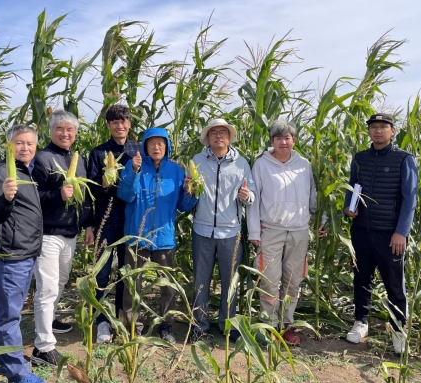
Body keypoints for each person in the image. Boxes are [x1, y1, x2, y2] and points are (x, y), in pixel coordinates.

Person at [343, 113, 417, 355]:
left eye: (383, 127)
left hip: (390, 235)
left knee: (395, 284)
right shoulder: (360, 158)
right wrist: (348, 207)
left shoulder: (403, 159)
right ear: (368, 131)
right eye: (374, 127)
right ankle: (361, 322)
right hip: (362, 231)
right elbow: (353, 186)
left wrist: (401, 233)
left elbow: (409, 200)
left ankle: (398, 330)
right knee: (361, 279)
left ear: (392, 131)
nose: (378, 131)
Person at [247, 120, 326, 347]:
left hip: (299, 232)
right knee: (269, 281)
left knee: (293, 281)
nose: (283, 142)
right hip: (270, 230)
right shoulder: (261, 165)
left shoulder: (303, 165)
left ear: (294, 140)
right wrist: (254, 232)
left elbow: (312, 197)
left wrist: (322, 220)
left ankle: (286, 324)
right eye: (278, 138)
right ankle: (268, 325)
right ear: (272, 141)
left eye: (287, 137)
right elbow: (254, 200)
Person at [117, 127, 198, 344]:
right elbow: (124, 194)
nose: (156, 147)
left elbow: (183, 205)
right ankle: (132, 325)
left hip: (164, 237)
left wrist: (193, 192)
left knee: (167, 285)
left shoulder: (176, 171)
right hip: (137, 236)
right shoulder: (134, 166)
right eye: (151, 143)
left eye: (160, 143)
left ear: (167, 146)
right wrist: (133, 173)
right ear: (145, 146)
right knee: (133, 283)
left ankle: (166, 325)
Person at [0, 124, 45, 383]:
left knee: (6, 311)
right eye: (20, 143)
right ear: (9, 145)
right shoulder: (0, 174)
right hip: (11, 255)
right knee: (10, 316)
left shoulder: (27, 173)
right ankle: (20, 375)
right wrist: (6, 199)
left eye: (30, 143)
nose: (26, 148)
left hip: (25, 253)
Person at [30, 110, 92, 366]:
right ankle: (43, 347)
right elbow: (31, 198)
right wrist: (58, 195)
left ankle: (50, 320)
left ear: (75, 133)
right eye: (60, 129)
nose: (65, 134)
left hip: (70, 233)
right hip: (47, 234)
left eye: (70, 130)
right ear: (51, 131)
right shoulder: (42, 159)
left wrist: (88, 224)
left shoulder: (78, 159)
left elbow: (86, 197)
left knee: (61, 282)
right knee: (47, 288)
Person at [190, 118, 256, 343]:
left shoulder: (242, 164)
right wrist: (189, 187)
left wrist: (248, 197)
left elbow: (252, 192)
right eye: (214, 132)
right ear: (207, 137)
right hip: (202, 230)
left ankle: (228, 325)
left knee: (230, 283)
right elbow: (189, 189)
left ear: (229, 137)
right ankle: (199, 325)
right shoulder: (197, 160)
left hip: (231, 233)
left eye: (223, 132)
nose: (218, 136)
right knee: (201, 281)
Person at [86, 104, 141, 343]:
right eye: (115, 122)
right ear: (108, 126)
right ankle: (101, 322)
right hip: (106, 221)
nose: (120, 126)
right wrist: (105, 183)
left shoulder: (139, 151)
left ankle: (123, 318)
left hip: (132, 221)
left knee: (126, 275)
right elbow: (90, 191)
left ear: (129, 123)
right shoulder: (98, 153)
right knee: (101, 275)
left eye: (124, 121)